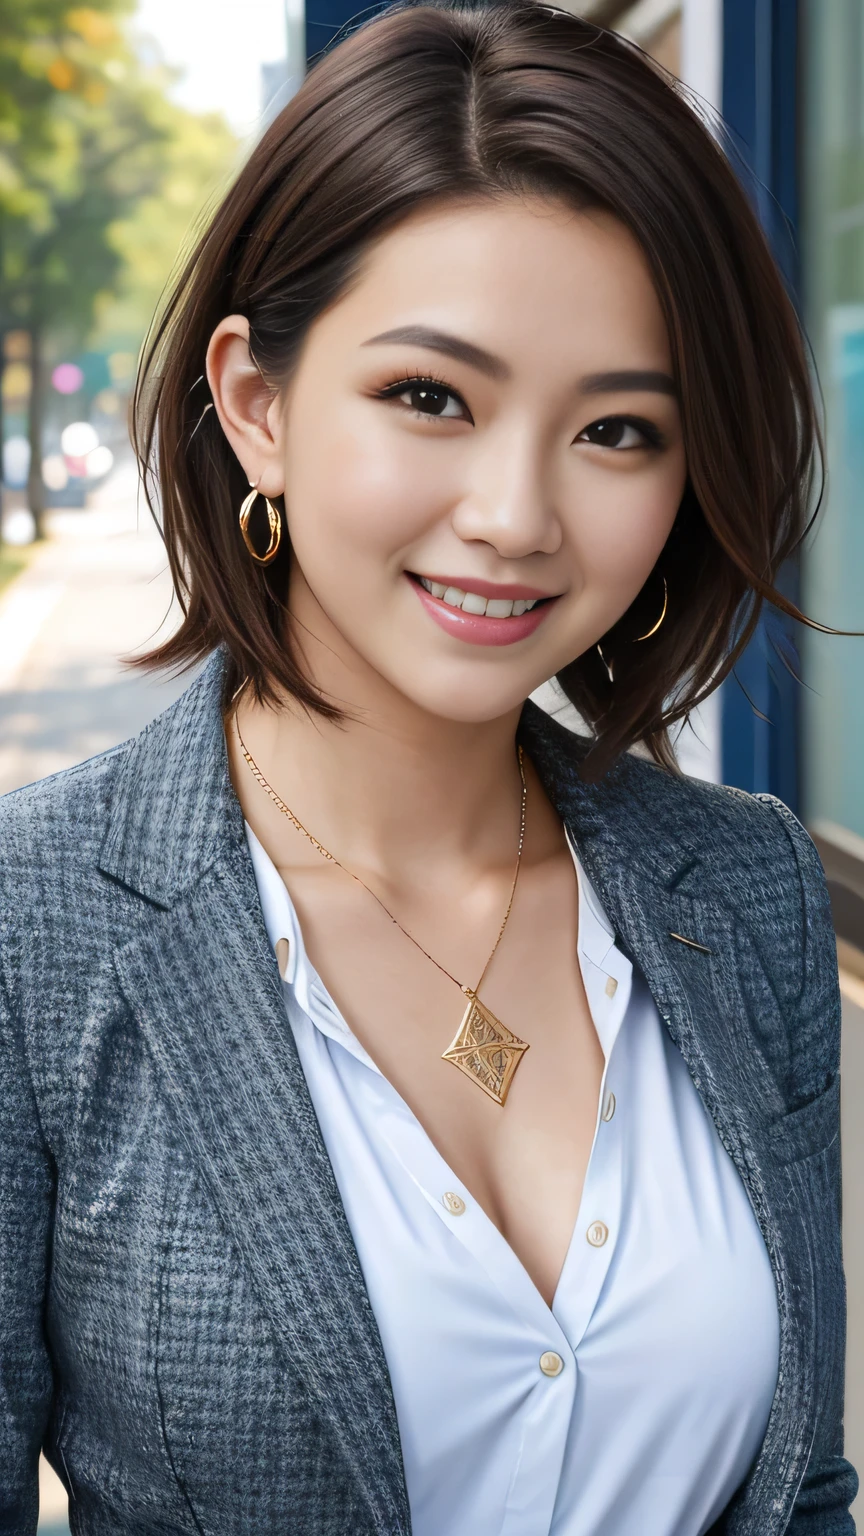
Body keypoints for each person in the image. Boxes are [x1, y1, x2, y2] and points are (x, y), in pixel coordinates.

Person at [0, 2, 856, 1532]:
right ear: (256, 404)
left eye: (616, 430)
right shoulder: (33, 926)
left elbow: (803, 1489)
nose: (517, 514)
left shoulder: (751, 889)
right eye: (429, 398)